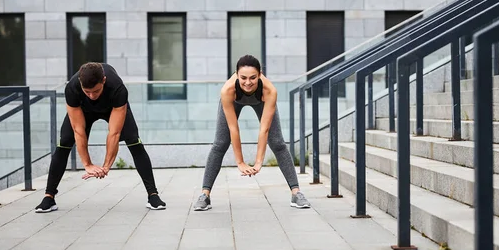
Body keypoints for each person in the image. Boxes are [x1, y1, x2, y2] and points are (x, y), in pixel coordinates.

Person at [35, 62, 166, 213]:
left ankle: (153, 195)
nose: (92, 96)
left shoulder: (117, 88)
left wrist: (106, 166)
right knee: (64, 141)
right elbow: (79, 130)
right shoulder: (72, 88)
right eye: (87, 92)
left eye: (96, 91)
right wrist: (88, 164)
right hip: (84, 110)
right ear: (80, 84)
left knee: (133, 140)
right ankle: (49, 197)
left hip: (113, 107)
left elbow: (114, 133)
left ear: (103, 80)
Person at [194, 55, 310, 211]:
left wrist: (258, 161)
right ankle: (205, 195)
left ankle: (296, 193)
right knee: (220, 143)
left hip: (260, 101)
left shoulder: (269, 91)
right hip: (235, 101)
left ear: (260, 74)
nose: (248, 82)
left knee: (277, 143)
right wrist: (240, 162)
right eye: (243, 78)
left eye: (253, 78)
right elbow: (233, 128)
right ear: (236, 74)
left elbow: (264, 129)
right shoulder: (228, 90)